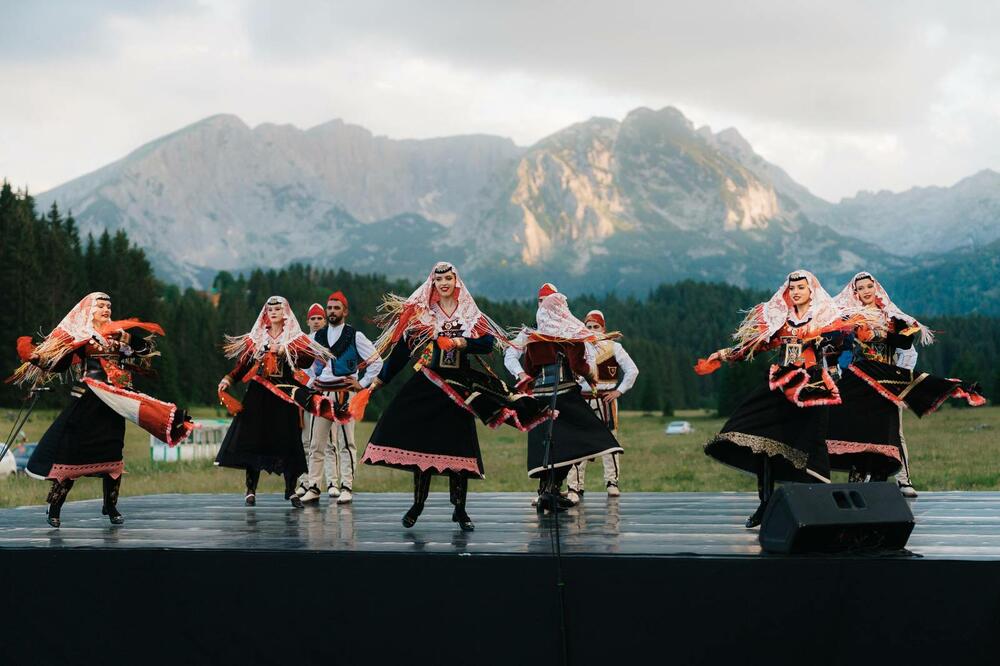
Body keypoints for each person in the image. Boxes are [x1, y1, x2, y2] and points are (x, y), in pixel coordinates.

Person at [359, 262, 551, 530]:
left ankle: (459, 509)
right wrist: (378, 381)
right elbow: (402, 351)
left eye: (449, 278)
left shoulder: (468, 313)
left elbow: (487, 344)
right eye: (440, 280)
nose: (445, 283)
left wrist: (464, 342)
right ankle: (418, 505)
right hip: (428, 383)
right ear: (433, 284)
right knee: (422, 447)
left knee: (460, 446)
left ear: (456, 281)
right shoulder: (423, 315)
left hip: (460, 386)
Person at [12, 292, 194, 527]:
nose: (106, 309)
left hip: (114, 402)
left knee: (112, 454)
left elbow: (145, 350)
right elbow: (59, 363)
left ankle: (110, 506)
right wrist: (35, 356)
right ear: (89, 311)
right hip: (88, 398)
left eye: (108, 306)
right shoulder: (82, 336)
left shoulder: (119, 335)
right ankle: (54, 507)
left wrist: (126, 336)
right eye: (100, 306)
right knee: (71, 454)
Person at [696, 270, 852, 527]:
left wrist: (833, 359)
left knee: (813, 446)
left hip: (812, 386)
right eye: (793, 289)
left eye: (801, 287)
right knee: (762, 442)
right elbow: (755, 346)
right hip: (780, 385)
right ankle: (765, 505)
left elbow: (845, 345)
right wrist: (723, 355)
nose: (796, 292)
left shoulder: (825, 318)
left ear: (811, 290)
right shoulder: (780, 322)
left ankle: (823, 508)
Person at [828, 272, 985, 494]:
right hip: (861, 380)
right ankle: (860, 477)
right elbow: (838, 344)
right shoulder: (851, 318)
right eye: (860, 288)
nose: (865, 291)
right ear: (855, 292)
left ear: (876, 289)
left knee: (895, 429)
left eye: (868, 286)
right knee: (860, 428)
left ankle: (904, 479)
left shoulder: (891, 316)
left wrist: (880, 333)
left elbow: (905, 341)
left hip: (888, 378)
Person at [504, 285, 624, 512]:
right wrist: (590, 375)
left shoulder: (533, 337)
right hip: (565, 395)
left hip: (540, 398)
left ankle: (548, 492)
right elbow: (578, 364)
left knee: (547, 445)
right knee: (575, 441)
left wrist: (527, 380)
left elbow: (529, 365)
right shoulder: (569, 334)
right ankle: (551, 491)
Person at [216, 296, 336, 509]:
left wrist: (287, 350)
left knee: (288, 440)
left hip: (284, 394)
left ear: (285, 313)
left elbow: (308, 360)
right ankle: (250, 490)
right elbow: (243, 363)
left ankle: (290, 491)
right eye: (269, 309)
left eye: (277, 309)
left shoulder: (294, 337)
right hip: (258, 393)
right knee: (253, 439)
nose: (272, 312)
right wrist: (229, 379)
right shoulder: (257, 337)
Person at [298, 291, 382, 505]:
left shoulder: (355, 336)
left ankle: (346, 486)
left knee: (346, 442)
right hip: (322, 393)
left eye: (336, 308)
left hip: (345, 393)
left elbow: (376, 361)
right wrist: (309, 386)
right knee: (316, 442)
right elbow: (308, 368)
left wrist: (362, 384)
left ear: (345, 311)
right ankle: (314, 486)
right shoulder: (317, 337)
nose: (332, 311)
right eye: (330, 308)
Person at [566, 309, 638, 503]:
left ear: (603, 327)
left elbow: (632, 370)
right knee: (578, 442)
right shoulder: (578, 346)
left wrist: (619, 391)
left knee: (610, 441)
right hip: (582, 399)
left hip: (606, 399)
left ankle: (612, 482)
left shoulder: (614, 347)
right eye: (588, 326)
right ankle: (575, 485)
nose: (592, 329)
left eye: (595, 326)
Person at [295, 302, 337, 498]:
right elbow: (299, 369)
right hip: (306, 394)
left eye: (320, 318)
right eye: (313, 318)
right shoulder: (302, 342)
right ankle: (306, 481)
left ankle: (332, 481)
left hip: (324, 391)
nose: (317, 321)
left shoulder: (331, 339)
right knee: (305, 440)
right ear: (307, 321)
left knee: (328, 441)